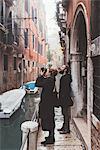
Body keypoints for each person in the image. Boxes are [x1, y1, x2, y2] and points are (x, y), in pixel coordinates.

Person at [36, 68, 57, 145]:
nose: (45, 73)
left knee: (48, 119)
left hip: (47, 103)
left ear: (50, 73)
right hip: (49, 103)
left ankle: (51, 139)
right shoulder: (51, 79)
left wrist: (41, 75)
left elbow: (37, 83)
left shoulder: (49, 80)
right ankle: (51, 136)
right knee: (50, 119)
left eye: (47, 72)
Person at [58, 65, 73, 134]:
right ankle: (64, 127)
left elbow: (65, 90)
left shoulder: (65, 78)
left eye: (62, 67)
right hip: (64, 99)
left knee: (66, 114)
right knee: (64, 114)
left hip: (65, 99)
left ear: (65, 70)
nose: (60, 68)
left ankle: (66, 129)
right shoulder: (65, 77)